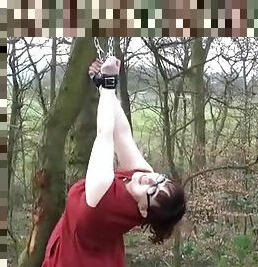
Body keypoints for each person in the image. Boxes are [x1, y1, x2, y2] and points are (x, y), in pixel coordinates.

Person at [42, 56, 186, 267]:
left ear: (143, 210)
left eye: (153, 192)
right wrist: (103, 87)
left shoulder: (102, 198)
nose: (151, 181)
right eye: (161, 180)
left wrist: (109, 86)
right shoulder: (142, 178)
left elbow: (105, 134)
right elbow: (122, 134)